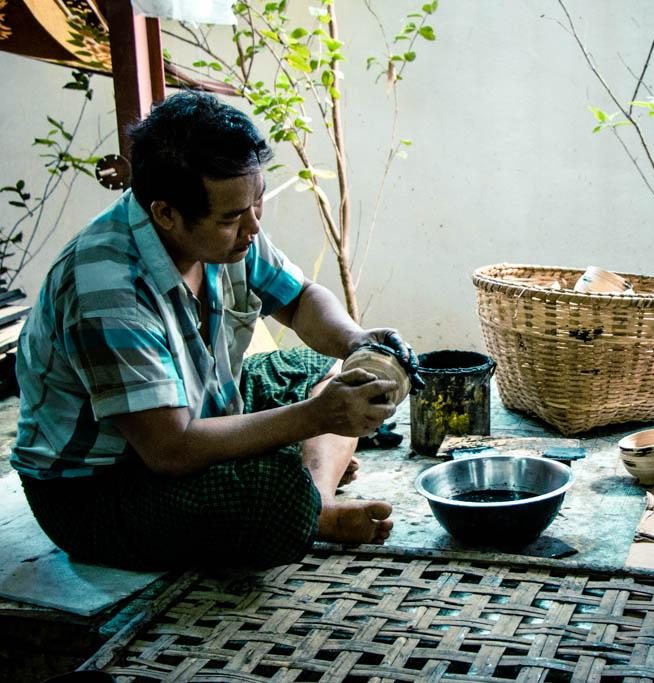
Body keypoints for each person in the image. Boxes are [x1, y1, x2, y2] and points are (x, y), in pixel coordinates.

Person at [11, 91, 419, 570]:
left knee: (333, 370)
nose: (252, 227)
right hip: (102, 488)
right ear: (165, 213)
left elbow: (300, 298)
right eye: (232, 217)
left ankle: (319, 501)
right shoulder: (104, 287)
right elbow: (170, 448)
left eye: (257, 204)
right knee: (275, 495)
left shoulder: (230, 230)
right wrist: (313, 418)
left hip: (199, 406)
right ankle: (308, 504)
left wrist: (357, 342)